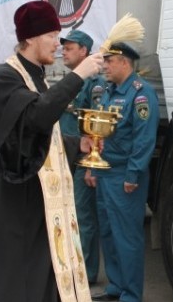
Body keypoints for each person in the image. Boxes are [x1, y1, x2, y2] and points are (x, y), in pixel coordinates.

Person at [0, 0, 104, 302]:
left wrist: (77, 145)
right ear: (29, 38)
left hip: (38, 196)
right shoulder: (7, 77)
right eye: (51, 36)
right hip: (16, 195)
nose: (57, 43)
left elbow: (42, 137)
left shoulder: (38, 76)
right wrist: (79, 74)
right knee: (6, 274)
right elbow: (33, 120)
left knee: (43, 266)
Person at [89, 42, 159, 302]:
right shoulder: (108, 92)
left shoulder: (141, 94)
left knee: (127, 237)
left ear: (124, 63)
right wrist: (94, 167)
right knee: (107, 232)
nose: (104, 65)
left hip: (125, 176)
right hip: (105, 171)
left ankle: (130, 294)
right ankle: (115, 287)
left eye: (109, 60)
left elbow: (143, 140)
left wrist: (133, 175)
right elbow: (98, 131)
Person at [60, 29, 106, 285]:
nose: (63, 51)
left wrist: (91, 167)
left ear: (84, 52)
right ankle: (73, 265)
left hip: (81, 162)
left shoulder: (94, 84)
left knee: (84, 219)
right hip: (66, 158)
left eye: (69, 47)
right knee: (70, 218)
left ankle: (86, 275)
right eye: (63, 47)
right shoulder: (72, 82)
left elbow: (98, 127)